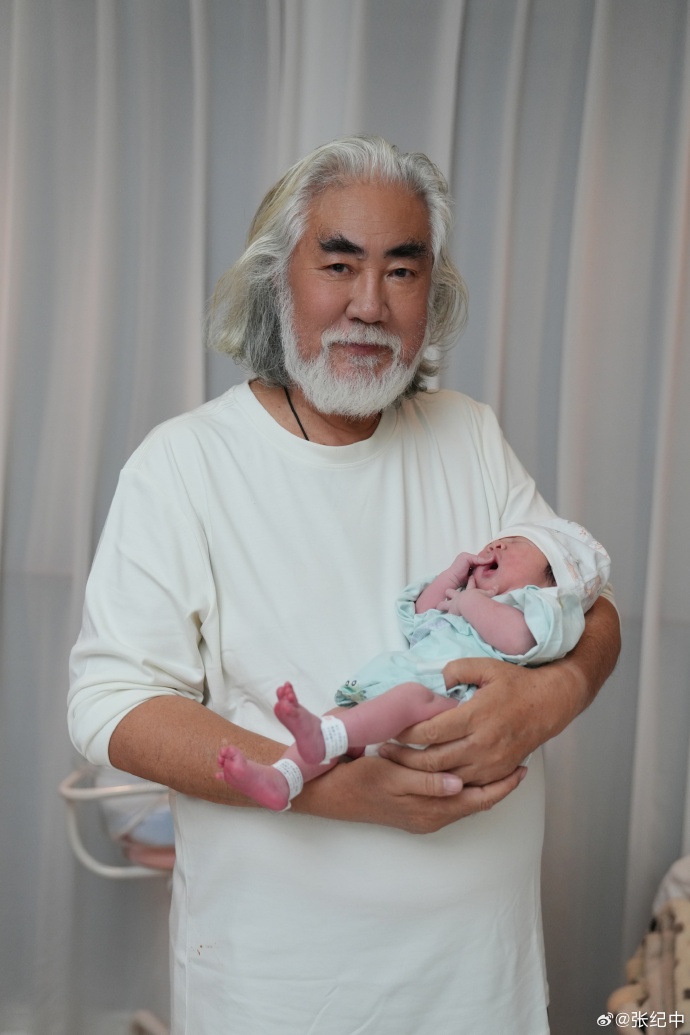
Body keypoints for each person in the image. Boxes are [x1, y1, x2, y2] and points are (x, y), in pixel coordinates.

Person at [68, 135, 621, 1034]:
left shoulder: (469, 434)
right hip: (279, 991)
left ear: (432, 292)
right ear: (275, 281)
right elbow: (111, 704)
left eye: (402, 270)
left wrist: (550, 696)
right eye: (338, 265)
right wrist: (333, 792)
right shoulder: (183, 465)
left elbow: (592, 610)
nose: (370, 304)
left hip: (482, 980)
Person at [217, 518, 611, 812]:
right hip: (401, 704)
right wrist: (453, 578)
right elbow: (420, 615)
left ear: (550, 580)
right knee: (342, 718)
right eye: (497, 540)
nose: (498, 545)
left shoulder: (542, 609)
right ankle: (282, 779)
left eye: (516, 545)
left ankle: (325, 739)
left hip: (454, 709)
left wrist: (471, 602)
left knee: (405, 698)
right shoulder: (463, 600)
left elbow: (518, 638)